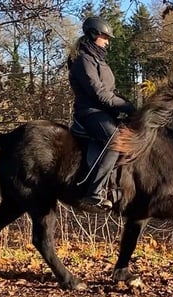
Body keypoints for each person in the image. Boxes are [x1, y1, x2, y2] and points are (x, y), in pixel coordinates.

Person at [67, 16, 136, 211]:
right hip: (90, 112)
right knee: (115, 142)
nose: (108, 41)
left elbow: (110, 92)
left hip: (105, 111)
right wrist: (126, 106)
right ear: (94, 34)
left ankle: (117, 188)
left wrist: (127, 105)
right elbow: (99, 93)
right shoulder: (82, 60)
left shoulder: (99, 60)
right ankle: (94, 193)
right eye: (105, 37)